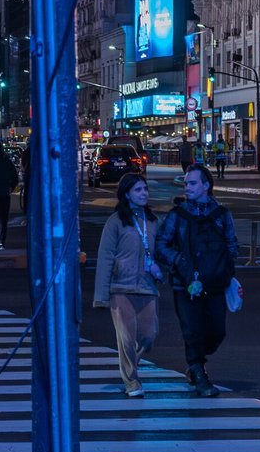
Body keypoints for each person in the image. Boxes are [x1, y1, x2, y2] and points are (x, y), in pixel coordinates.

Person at [154, 164, 237, 398]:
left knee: (217, 331)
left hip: (215, 284)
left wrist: (225, 268)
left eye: (192, 183)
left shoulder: (221, 215)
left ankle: (197, 360)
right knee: (192, 330)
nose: (187, 187)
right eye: (186, 183)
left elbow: (232, 244)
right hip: (186, 284)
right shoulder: (177, 215)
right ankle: (198, 371)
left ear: (206, 185)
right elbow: (161, 245)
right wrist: (180, 262)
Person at [93, 173, 162, 396]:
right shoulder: (115, 222)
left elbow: (162, 251)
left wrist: (160, 268)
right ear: (126, 194)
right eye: (138, 190)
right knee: (126, 339)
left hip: (147, 287)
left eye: (145, 189)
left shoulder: (153, 221)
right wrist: (101, 296)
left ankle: (132, 366)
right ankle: (132, 381)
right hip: (120, 288)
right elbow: (105, 257)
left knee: (149, 336)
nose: (144, 193)